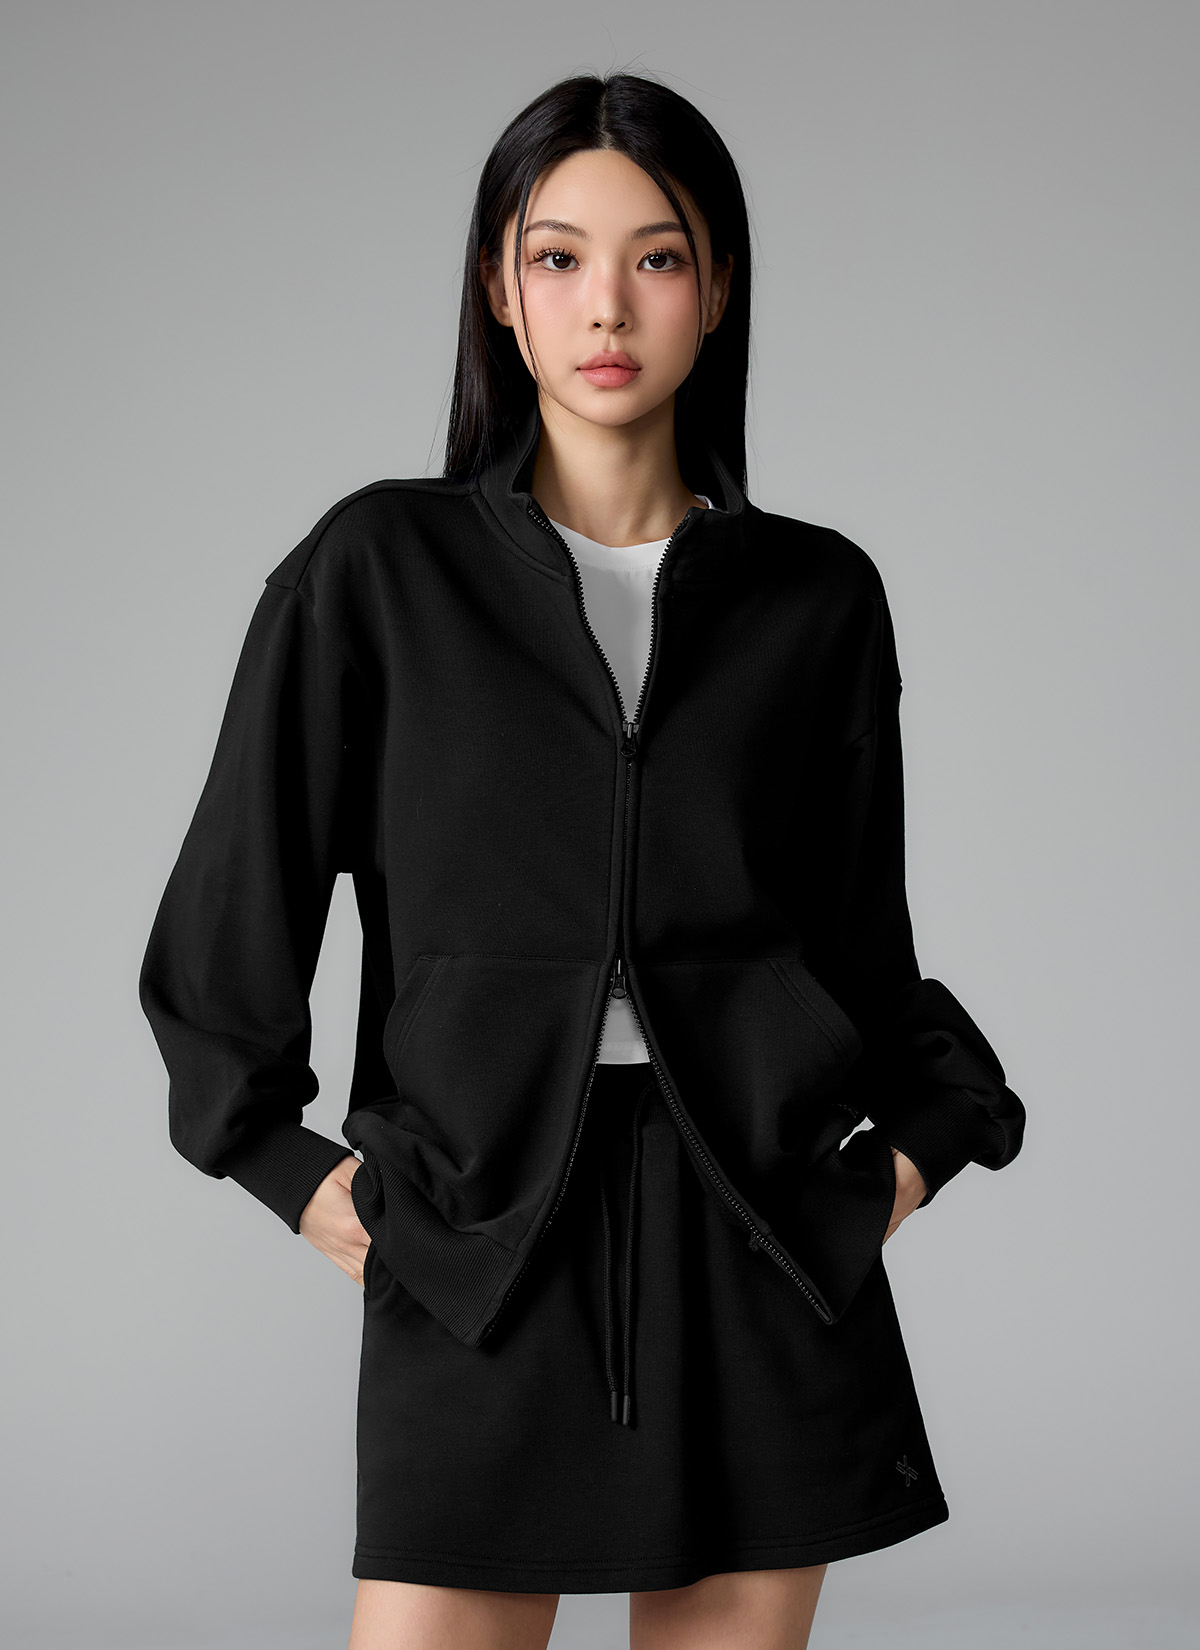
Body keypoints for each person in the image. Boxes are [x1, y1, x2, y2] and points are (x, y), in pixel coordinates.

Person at [139, 70, 1026, 1650]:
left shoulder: (816, 598)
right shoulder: (379, 572)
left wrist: (914, 1149)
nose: (605, 304)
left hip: (756, 1244)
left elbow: (857, 942)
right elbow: (228, 929)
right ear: (501, 288)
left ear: (717, 288)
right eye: (557, 257)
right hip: (483, 1236)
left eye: (657, 257)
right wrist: (291, 1171)